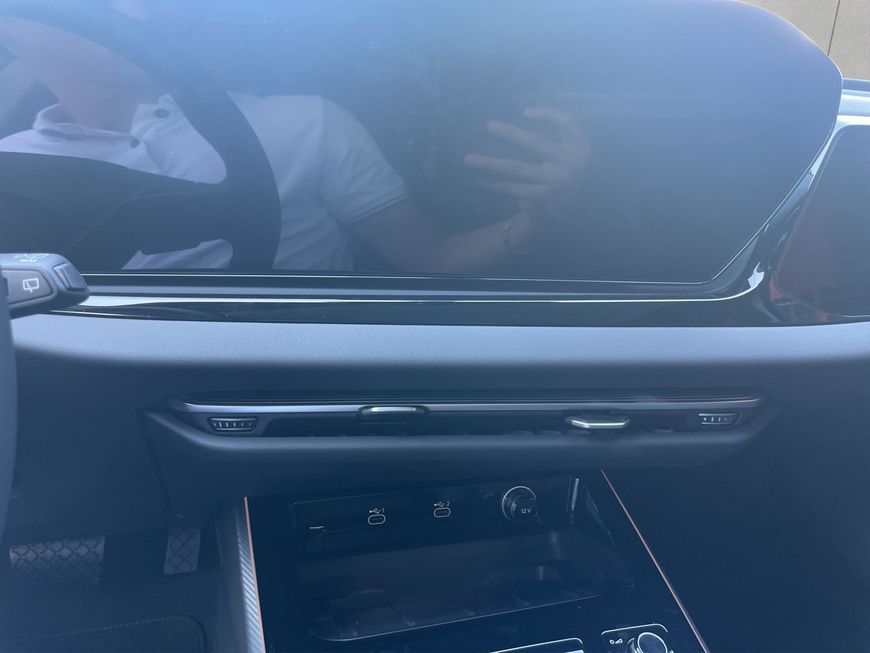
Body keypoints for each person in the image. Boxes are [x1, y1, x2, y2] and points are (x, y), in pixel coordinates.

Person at [0, 2, 590, 274]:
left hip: (301, 377)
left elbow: (430, 259)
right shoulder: (11, 165)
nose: (140, 13)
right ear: (12, 26)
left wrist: (541, 218)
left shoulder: (308, 122)